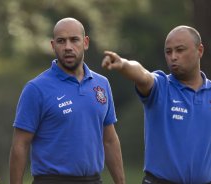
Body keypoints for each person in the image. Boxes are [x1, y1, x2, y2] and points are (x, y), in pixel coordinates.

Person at [9, 17, 125, 184]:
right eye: (61, 41)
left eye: (74, 40)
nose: (68, 47)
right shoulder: (36, 88)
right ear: (53, 45)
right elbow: (20, 145)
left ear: (85, 42)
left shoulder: (102, 84)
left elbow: (110, 140)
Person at [101, 25, 211, 184]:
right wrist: (124, 64)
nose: (173, 56)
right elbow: (143, 75)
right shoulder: (161, 86)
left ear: (199, 50)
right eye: (168, 52)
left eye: (180, 50)